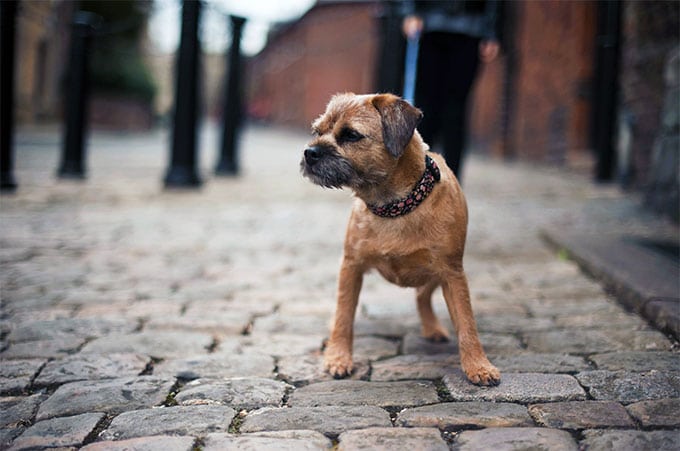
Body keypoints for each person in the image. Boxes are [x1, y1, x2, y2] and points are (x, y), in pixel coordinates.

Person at [402, 0, 500, 180]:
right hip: (430, 26)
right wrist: (411, 11)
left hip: (470, 27)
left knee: (455, 110)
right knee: (426, 109)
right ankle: (419, 176)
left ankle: (452, 180)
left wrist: (492, 31)